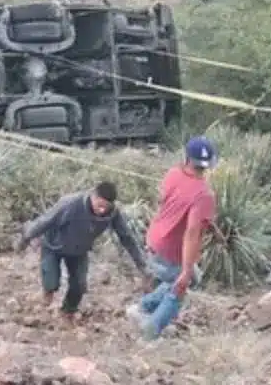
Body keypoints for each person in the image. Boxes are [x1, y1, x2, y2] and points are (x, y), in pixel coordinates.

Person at [128, 135, 219, 340]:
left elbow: (169, 201)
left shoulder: (173, 174)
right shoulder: (204, 194)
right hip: (172, 250)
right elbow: (192, 234)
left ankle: (140, 308)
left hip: (154, 240)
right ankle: (150, 334)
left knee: (191, 278)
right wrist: (185, 271)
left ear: (187, 158)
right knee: (180, 286)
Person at [16, 181, 149, 319]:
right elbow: (45, 221)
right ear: (93, 196)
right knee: (51, 282)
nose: (102, 210)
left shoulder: (113, 213)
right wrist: (26, 237)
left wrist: (141, 265)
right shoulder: (70, 203)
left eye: (106, 207)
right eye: (100, 206)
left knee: (79, 285)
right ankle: (46, 297)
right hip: (54, 245)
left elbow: (126, 237)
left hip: (79, 250)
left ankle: (67, 312)